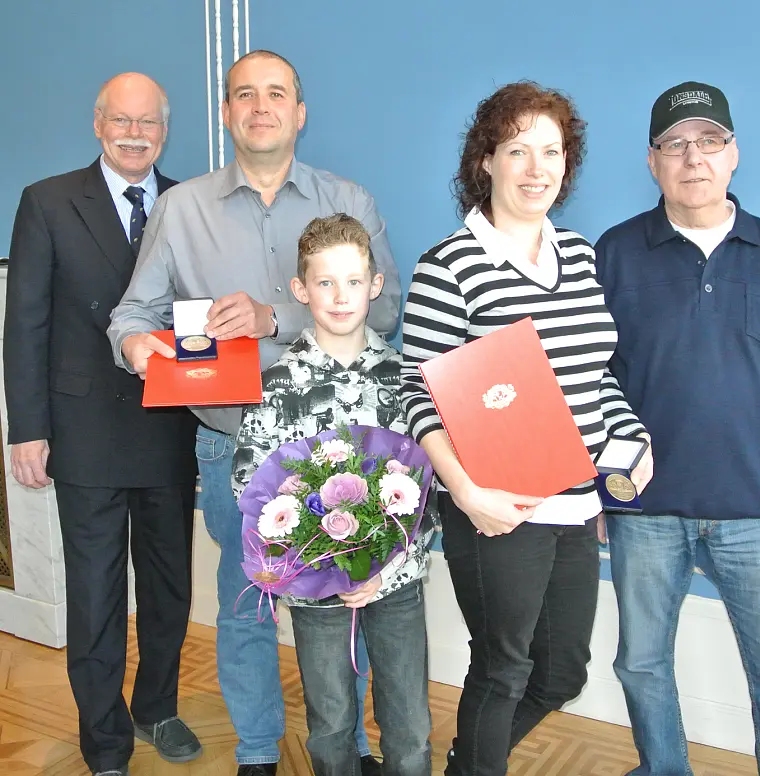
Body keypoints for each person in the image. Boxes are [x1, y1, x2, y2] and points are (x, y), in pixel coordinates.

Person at [107, 51, 401, 776]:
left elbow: (387, 309)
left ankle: (349, 748)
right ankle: (260, 753)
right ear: (228, 113)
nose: (260, 106)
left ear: (299, 113)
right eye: (245, 95)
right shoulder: (182, 209)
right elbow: (130, 316)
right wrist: (139, 348)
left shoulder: (350, 201)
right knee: (245, 610)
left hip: (336, 448)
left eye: (277, 94)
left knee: (345, 602)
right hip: (228, 443)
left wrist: (277, 316)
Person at [399, 81, 653, 776]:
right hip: (496, 510)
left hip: (575, 505)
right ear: (486, 161)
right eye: (518, 150)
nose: (537, 167)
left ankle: (465, 761)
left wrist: (634, 439)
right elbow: (413, 395)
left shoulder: (579, 255)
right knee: (503, 668)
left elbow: (598, 374)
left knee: (561, 672)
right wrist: (468, 492)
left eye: (552, 151)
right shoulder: (448, 266)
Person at [595, 80, 760, 776]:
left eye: (709, 142)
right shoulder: (614, 254)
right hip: (645, 509)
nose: (692, 158)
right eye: (675, 144)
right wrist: (598, 488)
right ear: (652, 161)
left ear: (733, 155)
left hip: (758, 513)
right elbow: (588, 381)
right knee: (640, 666)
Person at [3, 73, 201, 776]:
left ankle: (157, 708)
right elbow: (23, 323)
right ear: (97, 123)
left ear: (164, 129)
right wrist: (26, 429)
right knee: (95, 596)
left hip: (167, 428)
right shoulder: (47, 201)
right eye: (122, 119)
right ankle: (105, 740)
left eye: (148, 122)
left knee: (171, 587)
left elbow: (200, 318)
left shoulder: (186, 204)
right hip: (81, 432)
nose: (135, 133)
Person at [233, 213, 433, 776]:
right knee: (329, 724)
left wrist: (382, 572)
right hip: (313, 591)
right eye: (324, 283)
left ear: (374, 286)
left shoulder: (404, 380)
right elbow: (252, 486)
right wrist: (316, 564)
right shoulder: (276, 386)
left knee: (410, 726)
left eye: (353, 281)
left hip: (394, 585)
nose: (340, 296)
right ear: (301, 290)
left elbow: (429, 491)